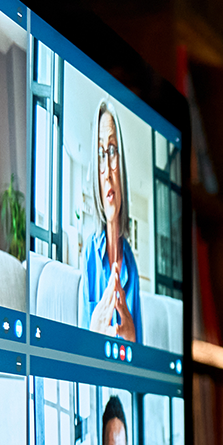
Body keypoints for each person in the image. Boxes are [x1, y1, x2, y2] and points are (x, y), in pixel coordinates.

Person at [79, 100, 142, 343]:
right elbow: (82, 354)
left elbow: (140, 358)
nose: (106, 170)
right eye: (99, 154)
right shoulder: (88, 255)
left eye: (112, 151)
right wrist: (96, 327)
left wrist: (132, 338)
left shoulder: (131, 265)